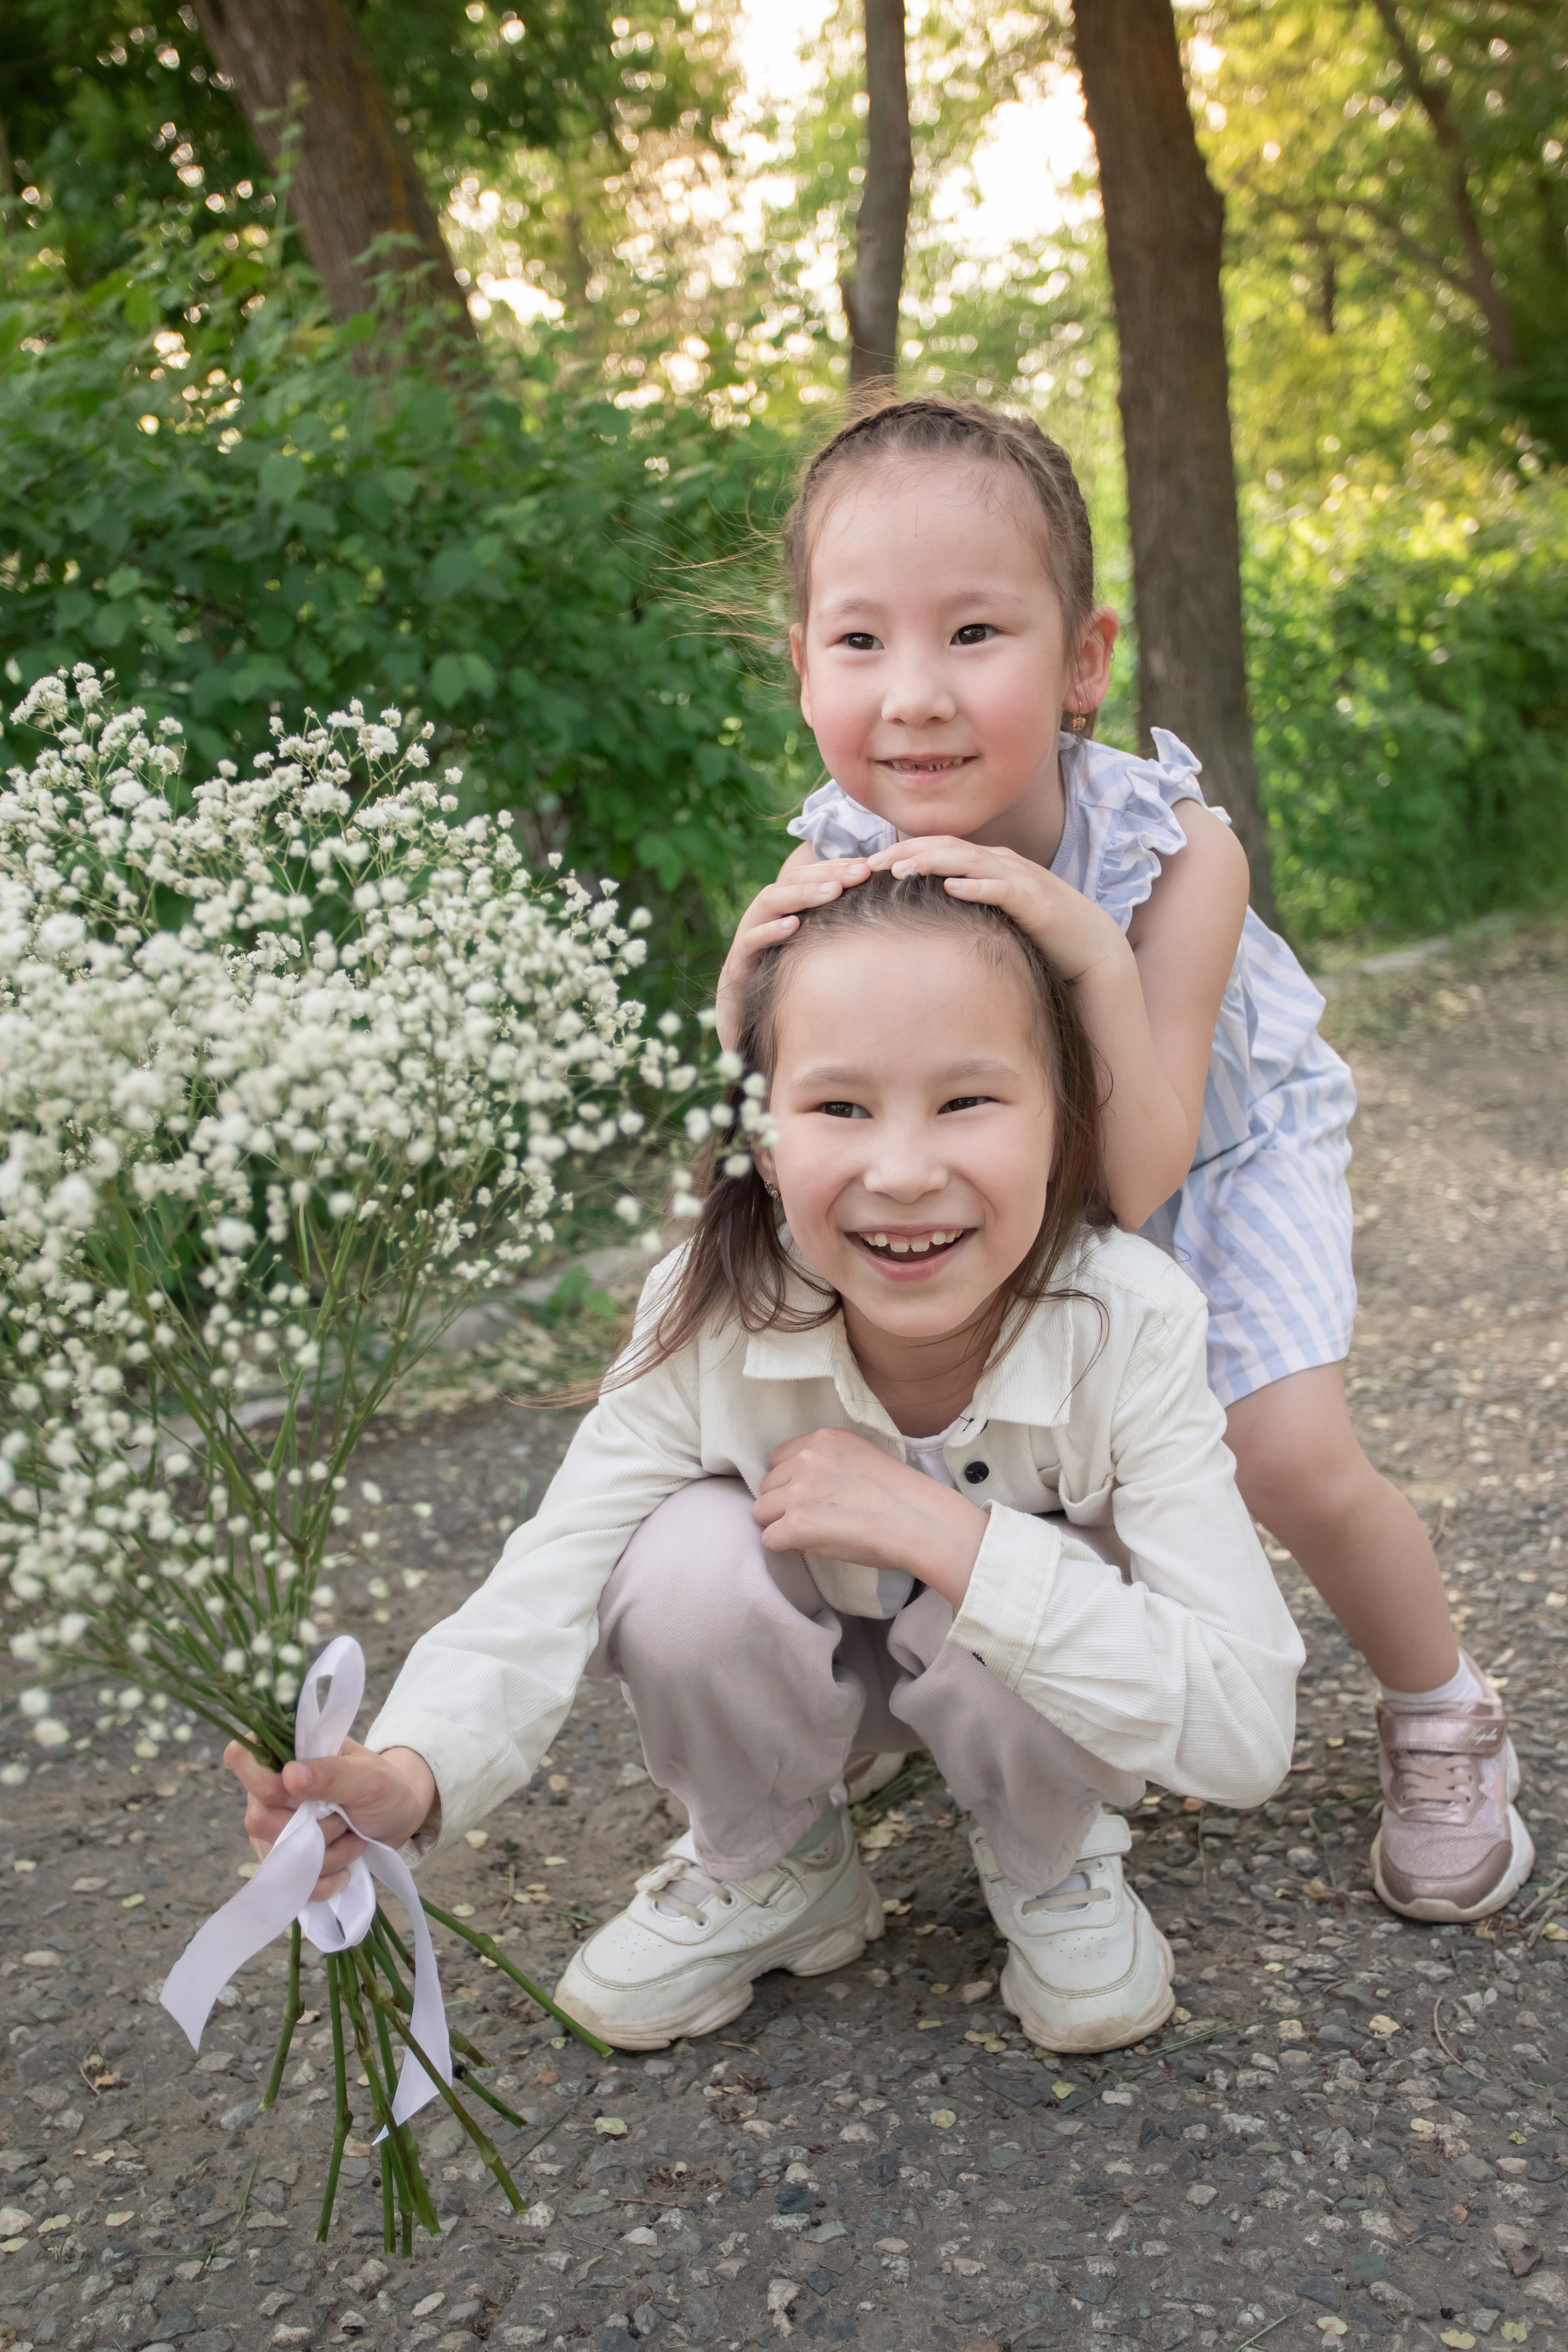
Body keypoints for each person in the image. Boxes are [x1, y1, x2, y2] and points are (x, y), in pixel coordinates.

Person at [225, 876, 1303, 2055]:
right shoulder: (708, 1309)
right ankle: (775, 1856)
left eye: (968, 1100)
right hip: (809, 1664)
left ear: (1063, 1120)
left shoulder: (1132, 1319)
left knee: (1025, 1567)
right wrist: (412, 1773)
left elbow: (1247, 1735)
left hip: (1028, 1703)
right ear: (762, 1134)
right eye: (838, 1106)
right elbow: (551, 1575)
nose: (901, 1171)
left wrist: (947, 1533)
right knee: (678, 1560)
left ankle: (1053, 1858)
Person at [716, 395, 1531, 1926]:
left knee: (1274, 1445)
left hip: (1208, 1154)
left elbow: (1143, 1172)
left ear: (1081, 659)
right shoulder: (826, 872)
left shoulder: (1168, 851)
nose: (915, 697)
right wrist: (734, 1011)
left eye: (973, 635)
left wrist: (1082, 946)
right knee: (896, 1404)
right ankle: (894, 1691)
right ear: (802, 666)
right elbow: (786, 1135)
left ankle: (1439, 1709)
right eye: (860, 643)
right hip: (1003, 1182)